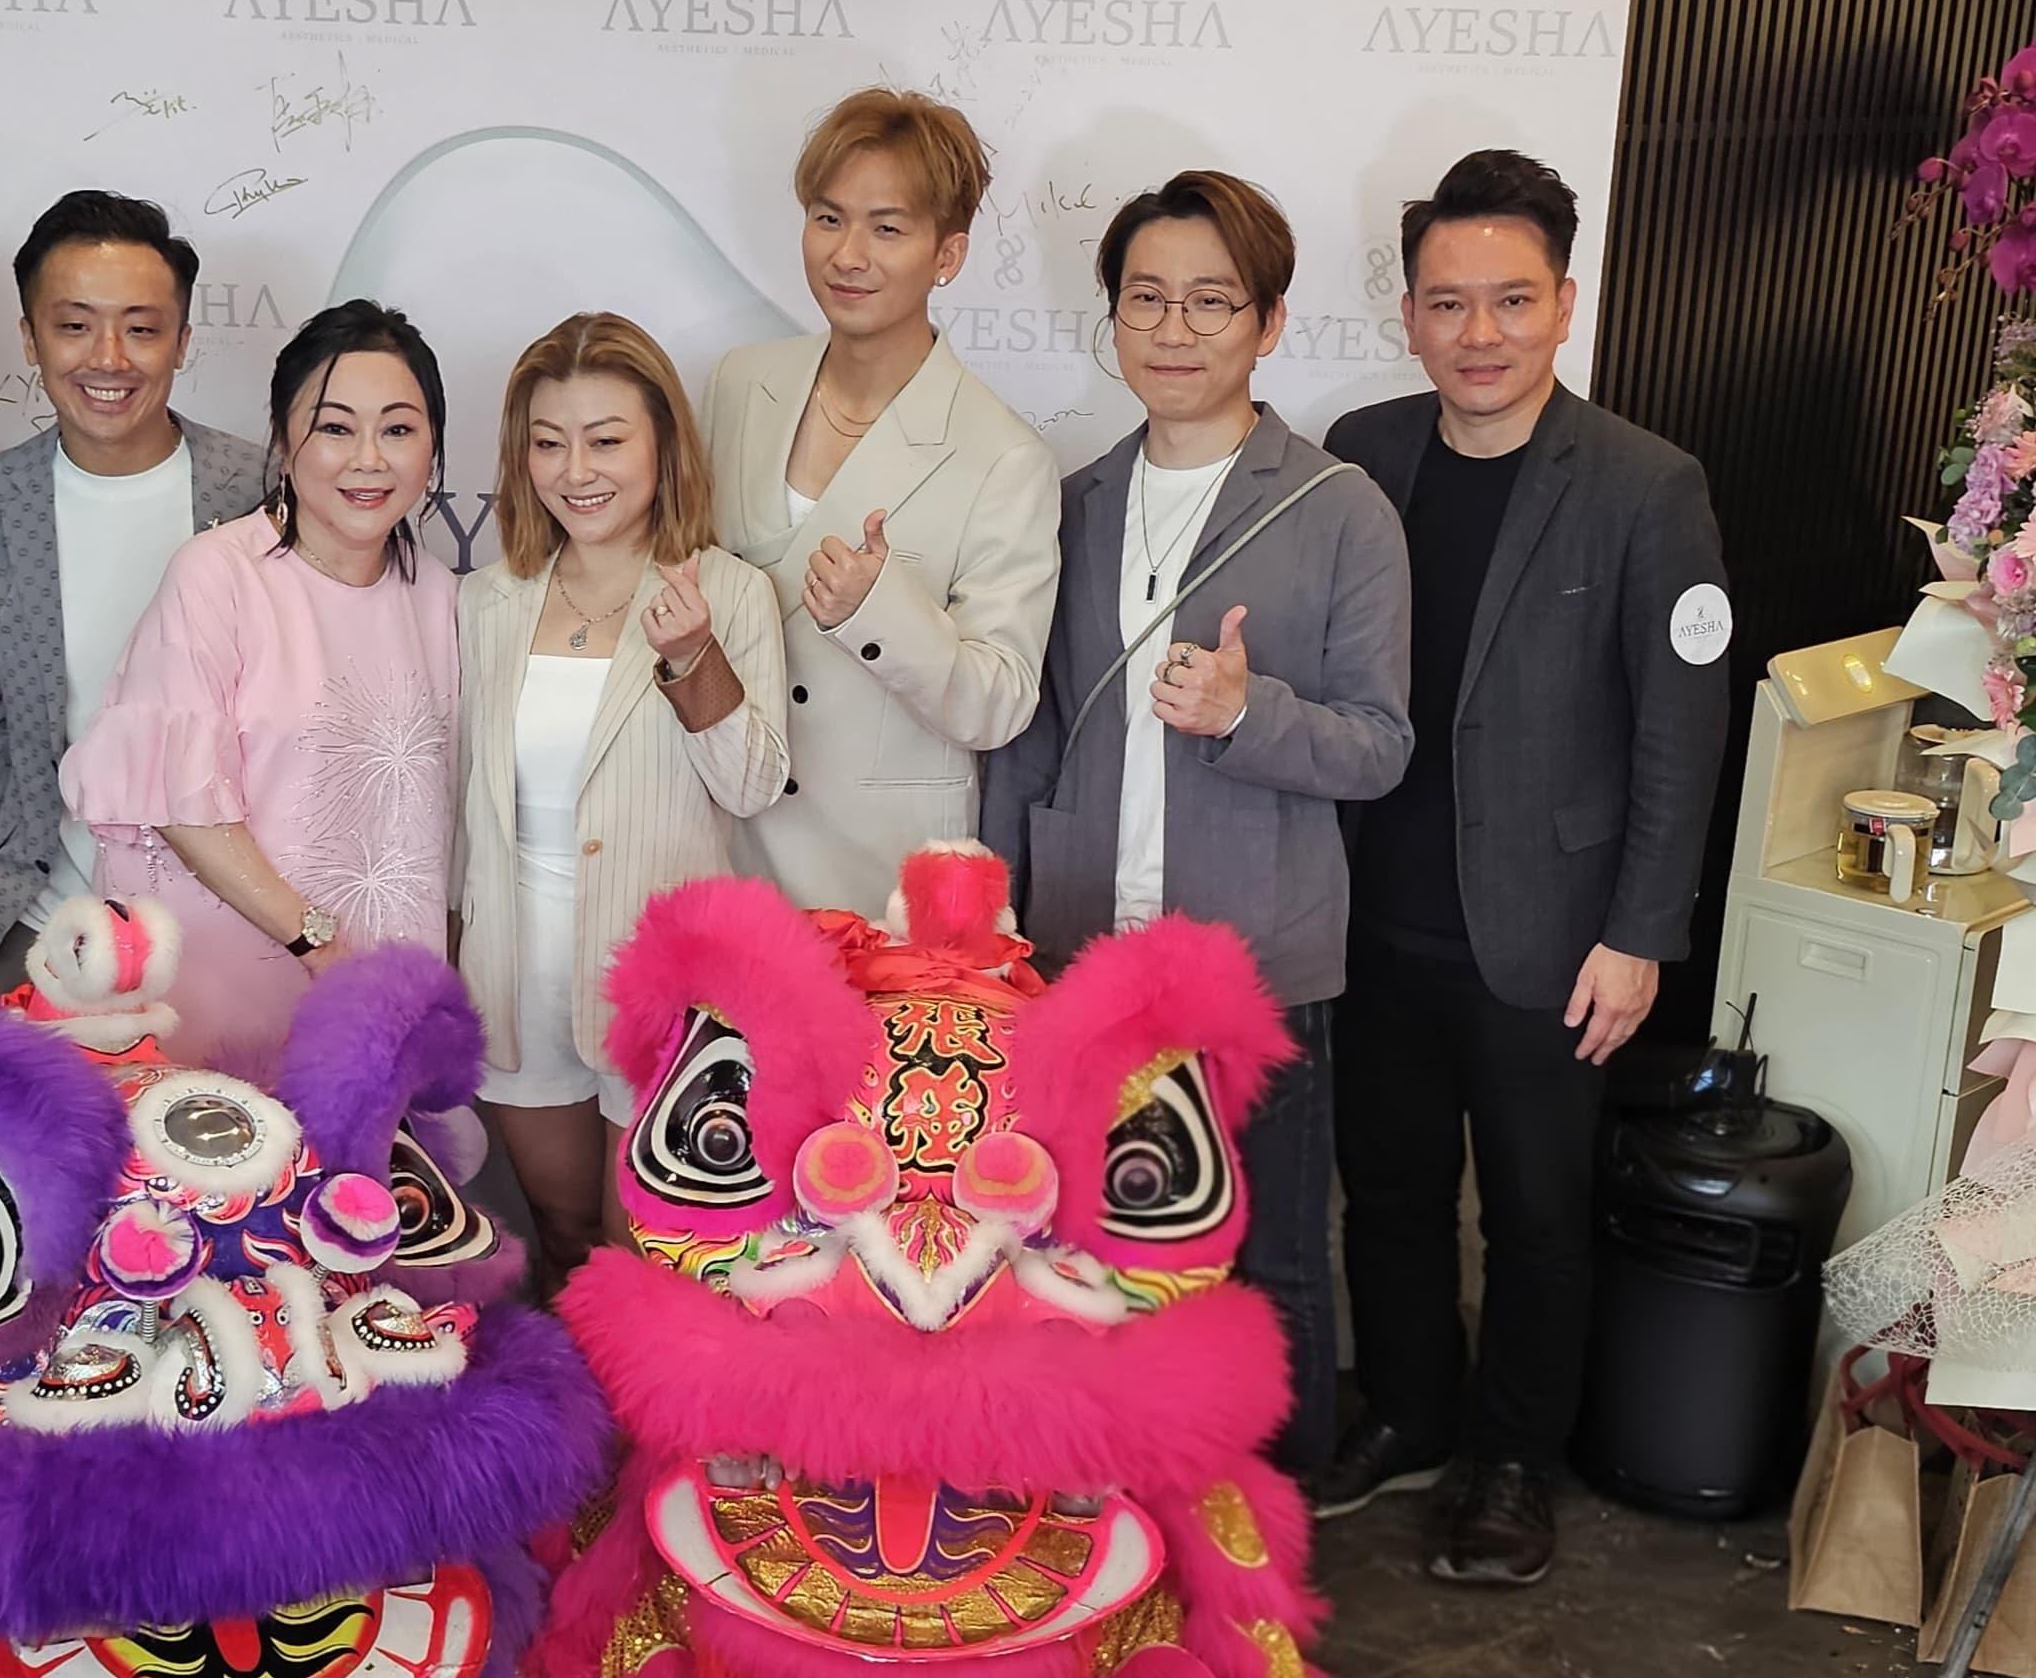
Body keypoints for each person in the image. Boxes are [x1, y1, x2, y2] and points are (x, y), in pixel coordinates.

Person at [1314, 149, 1732, 1584]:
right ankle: (1410, 1409)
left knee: (1539, 1214)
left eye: (1510, 299)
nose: (1478, 333)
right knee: (1388, 1190)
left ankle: (1510, 1459)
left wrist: (1642, 930)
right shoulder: (1363, 451)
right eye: (1447, 303)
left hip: (1553, 934)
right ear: (1409, 314)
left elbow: (1682, 727)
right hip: (1373, 914)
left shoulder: (1646, 485)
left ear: (1565, 302)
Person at [981, 171, 1411, 1478]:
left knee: (1268, 1250)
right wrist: (995, 914)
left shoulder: (1338, 509)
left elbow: (1380, 745)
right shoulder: (1071, 502)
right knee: (1081, 1238)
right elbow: (1030, 730)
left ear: (1268, 322)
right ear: (1112, 315)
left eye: (1211, 301)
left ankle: (1272, 1516)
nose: (1174, 329)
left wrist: (1244, 711)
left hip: (1254, 960)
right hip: (1080, 948)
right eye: (1147, 298)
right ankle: (1118, 1508)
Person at [455, 313, 789, 1284]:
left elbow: (753, 785)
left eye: (605, 440)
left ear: (661, 445)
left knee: (646, 1257)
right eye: (548, 443)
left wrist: (693, 658)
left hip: (662, 986)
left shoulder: (729, 593)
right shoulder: (488, 599)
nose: (576, 471)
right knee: (562, 1240)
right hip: (519, 973)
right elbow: (462, 809)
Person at [62, 299, 460, 1069]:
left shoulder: (438, 595)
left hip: (383, 1003)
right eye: (335, 428)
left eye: (398, 430)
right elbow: (179, 803)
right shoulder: (219, 576)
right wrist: (315, 941)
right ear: (282, 438)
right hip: (224, 992)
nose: (368, 459)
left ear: (433, 444)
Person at [698, 86, 1061, 916]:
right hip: (728, 850)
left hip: (885, 885)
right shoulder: (740, 384)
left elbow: (1000, 701)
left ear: (948, 255)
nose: (848, 254)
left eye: (887, 229)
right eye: (828, 219)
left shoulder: (1004, 456)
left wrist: (878, 612)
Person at [0, 191, 268, 990]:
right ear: (30, 336)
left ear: (183, 341)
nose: (109, 358)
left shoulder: (258, 488)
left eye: (142, 329)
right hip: (47, 932)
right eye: (75, 325)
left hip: (231, 928)